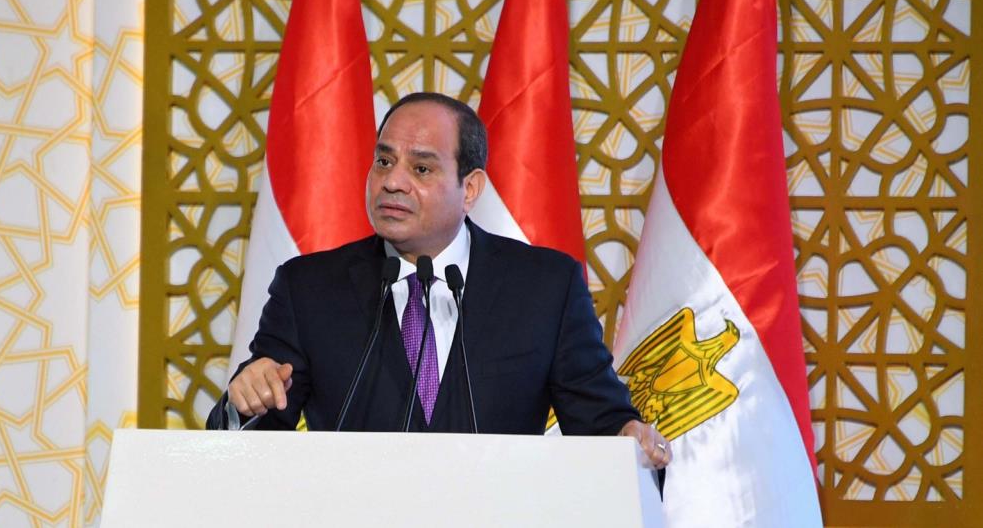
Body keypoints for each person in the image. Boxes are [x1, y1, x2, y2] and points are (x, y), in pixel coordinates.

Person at [207, 92, 671, 468]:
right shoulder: (308, 288)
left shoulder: (545, 287)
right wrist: (243, 404)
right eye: (383, 161)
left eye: (421, 168)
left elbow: (601, 423)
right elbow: (253, 442)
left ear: (470, 188)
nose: (392, 182)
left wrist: (627, 437)